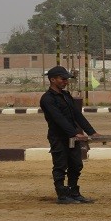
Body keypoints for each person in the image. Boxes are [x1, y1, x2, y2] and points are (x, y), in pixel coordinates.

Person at [40, 65, 101, 204]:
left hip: (73, 137)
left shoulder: (66, 96)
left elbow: (77, 116)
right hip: (58, 137)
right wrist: (74, 133)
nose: (66, 81)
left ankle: (74, 192)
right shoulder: (47, 99)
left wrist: (92, 132)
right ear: (52, 79)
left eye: (66, 79)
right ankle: (62, 195)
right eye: (63, 79)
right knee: (60, 165)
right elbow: (58, 118)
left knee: (76, 164)